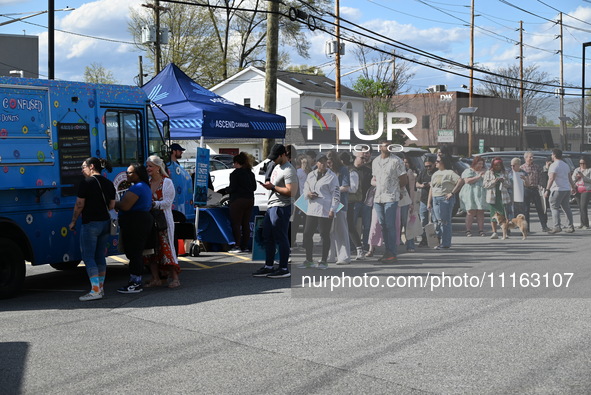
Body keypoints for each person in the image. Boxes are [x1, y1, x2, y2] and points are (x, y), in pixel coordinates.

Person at [69, 157, 116, 301]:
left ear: (92, 166)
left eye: (83, 167)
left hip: (90, 224)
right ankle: (100, 288)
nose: (82, 170)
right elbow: (112, 205)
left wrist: (73, 221)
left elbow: (79, 205)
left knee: (88, 257)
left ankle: (95, 291)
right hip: (105, 223)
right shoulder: (108, 183)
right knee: (100, 256)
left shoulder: (86, 183)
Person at [253, 144, 297, 278]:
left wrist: (273, 187)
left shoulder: (289, 170)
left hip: (282, 206)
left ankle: (284, 268)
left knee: (280, 236)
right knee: (268, 236)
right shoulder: (277, 166)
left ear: (283, 155)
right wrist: (270, 187)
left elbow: (291, 192)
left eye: (275, 157)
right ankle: (269, 266)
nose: (273, 160)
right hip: (272, 205)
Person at [115, 163, 154, 293]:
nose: (127, 175)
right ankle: (135, 280)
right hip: (140, 221)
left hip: (136, 222)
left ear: (137, 174)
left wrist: (113, 203)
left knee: (135, 253)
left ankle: (135, 283)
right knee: (135, 252)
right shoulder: (143, 186)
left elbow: (125, 206)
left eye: (130, 173)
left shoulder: (137, 187)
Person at [144, 155, 181, 288]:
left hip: (163, 220)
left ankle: (175, 278)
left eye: (150, 166)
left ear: (158, 168)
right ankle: (156, 278)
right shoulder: (147, 183)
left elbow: (167, 203)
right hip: (150, 220)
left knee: (167, 248)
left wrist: (153, 204)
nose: (148, 168)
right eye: (147, 166)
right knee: (151, 250)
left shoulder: (167, 182)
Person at [299, 156, 340, 269]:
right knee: (307, 234)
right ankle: (309, 260)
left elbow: (336, 194)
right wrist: (308, 194)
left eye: (325, 162)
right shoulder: (311, 174)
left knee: (324, 234)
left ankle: (323, 261)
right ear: (316, 163)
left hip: (325, 209)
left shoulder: (332, 177)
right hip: (312, 208)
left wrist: (333, 209)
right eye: (321, 162)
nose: (324, 164)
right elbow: (305, 188)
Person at [372, 140, 408, 263]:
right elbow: (374, 178)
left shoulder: (396, 161)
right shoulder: (375, 161)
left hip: (391, 197)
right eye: (385, 145)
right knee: (383, 226)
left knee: (390, 225)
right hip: (378, 197)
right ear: (380, 147)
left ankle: (392, 253)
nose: (388, 147)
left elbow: (403, 179)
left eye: (390, 145)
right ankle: (387, 252)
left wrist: (398, 191)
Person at [218, 152, 257, 253]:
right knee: (246, 224)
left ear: (237, 163)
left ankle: (237, 245)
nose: (233, 165)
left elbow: (232, 188)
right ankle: (245, 246)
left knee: (236, 223)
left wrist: (223, 191)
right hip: (250, 199)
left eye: (234, 163)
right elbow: (254, 187)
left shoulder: (235, 174)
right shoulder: (250, 173)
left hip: (238, 200)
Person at [427, 155, 463, 249]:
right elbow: (432, 188)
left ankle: (446, 243)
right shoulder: (435, 173)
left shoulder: (450, 172)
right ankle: (437, 242)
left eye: (438, 161)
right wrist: (429, 202)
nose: (436, 163)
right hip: (435, 198)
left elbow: (460, 180)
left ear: (443, 162)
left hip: (445, 198)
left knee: (445, 222)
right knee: (437, 222)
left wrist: (452, 192)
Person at [168, 142, 194, 256]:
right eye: (179, 151)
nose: (182, 152)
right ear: (173, 151)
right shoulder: (169, 166)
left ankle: (178, 250)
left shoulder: (177, 166)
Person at [545, 149, 576, 234]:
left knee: (554, 207)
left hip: (557, 189)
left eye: (552, 154)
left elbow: (551, 178)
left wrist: (547, 190)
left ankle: (556, 226)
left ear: (554, 155)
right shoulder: (565, 165)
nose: (551, 156)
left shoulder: (554, 165)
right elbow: (569, 177)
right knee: (566, 208)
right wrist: (573, 186)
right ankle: (570, 226)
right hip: (566, 189)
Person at [343, 152, 366, 260]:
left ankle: (359, 249)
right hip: (341, 202)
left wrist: (340, 188)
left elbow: (353, 188)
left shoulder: (352, 172)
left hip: (350, 202)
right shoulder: (343, 171)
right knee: (341, 227)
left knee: (351, 226)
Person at [483, 157, 511, 240]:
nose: (497, 166)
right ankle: (494, 232)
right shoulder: (488, 172)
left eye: (499, 165)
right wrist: (494, 181)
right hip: (493, 196)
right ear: (493, 165)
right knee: (493, 215)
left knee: (504, 214)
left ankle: (505, 233)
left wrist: (503, 181)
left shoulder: (505, 172)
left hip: (502, 196)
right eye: (496, 165)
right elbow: (485, 185)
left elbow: (509, 184)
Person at [521, 151, 549, 232]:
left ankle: (544, 226)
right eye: (530, 157)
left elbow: (541, 177)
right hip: (526, 189)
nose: (532, 158)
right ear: (525, 158)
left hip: (535, 189)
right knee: (526, 210)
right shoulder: (522, 168)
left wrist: (541, 186)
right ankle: (526, 228)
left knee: (540, 208)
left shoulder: (537, 167)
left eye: (532, 157)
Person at [459, 155, 487, 237]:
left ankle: (481, 230)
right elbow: (467, 181)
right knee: (471, 212)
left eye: (482, 164)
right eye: (479, 163)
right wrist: (478, 176)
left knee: (480, 212)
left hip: (481, 193)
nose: (481, 165)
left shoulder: (485, 171)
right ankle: (468, 230)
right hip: (470, 193)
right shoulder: (468, 171)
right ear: (475, 163)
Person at [351, 151, 373, 252]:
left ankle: (366, 245)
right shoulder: (350, 170)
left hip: (366, 201)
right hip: (354, 201)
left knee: (367, 225)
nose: (364, 160)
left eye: (365, 159)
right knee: (352, 224)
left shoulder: (368, 171)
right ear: (355, 157)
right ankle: (352, 245)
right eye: (362, 158)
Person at [416, 157, 436, 246]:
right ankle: (424, 238)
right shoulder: (423, 172)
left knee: (434, 220)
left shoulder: (436, 172)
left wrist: (430, 184)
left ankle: (434, 238)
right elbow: (417, 182)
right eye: (426, 166)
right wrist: (421, 185)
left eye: (430, 166)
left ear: (434, 164)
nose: (428, 168)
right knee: (423, 219)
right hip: (423, 199)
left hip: (434, 199)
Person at [398, 158, 417, 252]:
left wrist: (412, 203)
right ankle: (396, 243)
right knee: (396, 223)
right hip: (393, 199)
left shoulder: (408, 172)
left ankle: (410, 245)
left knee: (407, 223)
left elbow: (411, 188)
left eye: (405, 162)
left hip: (405, 200)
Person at [573, 157, 591, 229]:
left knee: (583, 206)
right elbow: (572, 179)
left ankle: (586, 224)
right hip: (577, 189)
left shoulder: (589, 170)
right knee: (580, 207)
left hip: (586, 189)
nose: (582, 165)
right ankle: (582, 223)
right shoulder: (577, 170)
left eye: (583, 163)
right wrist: (576, 177)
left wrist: (583, 176)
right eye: (580, 163)